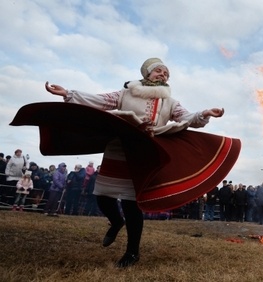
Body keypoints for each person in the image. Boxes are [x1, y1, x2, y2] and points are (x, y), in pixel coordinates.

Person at [41, 57, 240, 268]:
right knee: (103, 196)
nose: (163, 75)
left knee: (131, 202)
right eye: (158, 71)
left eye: (166, 73)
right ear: (147, 74)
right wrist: (69, 94)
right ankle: (117, 222)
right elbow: (100, 101)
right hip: (118, 147)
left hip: (144, 151)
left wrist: (204, 113)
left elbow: (186, 118)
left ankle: (132, 252)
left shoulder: (169, 102)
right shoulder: (126, 93)